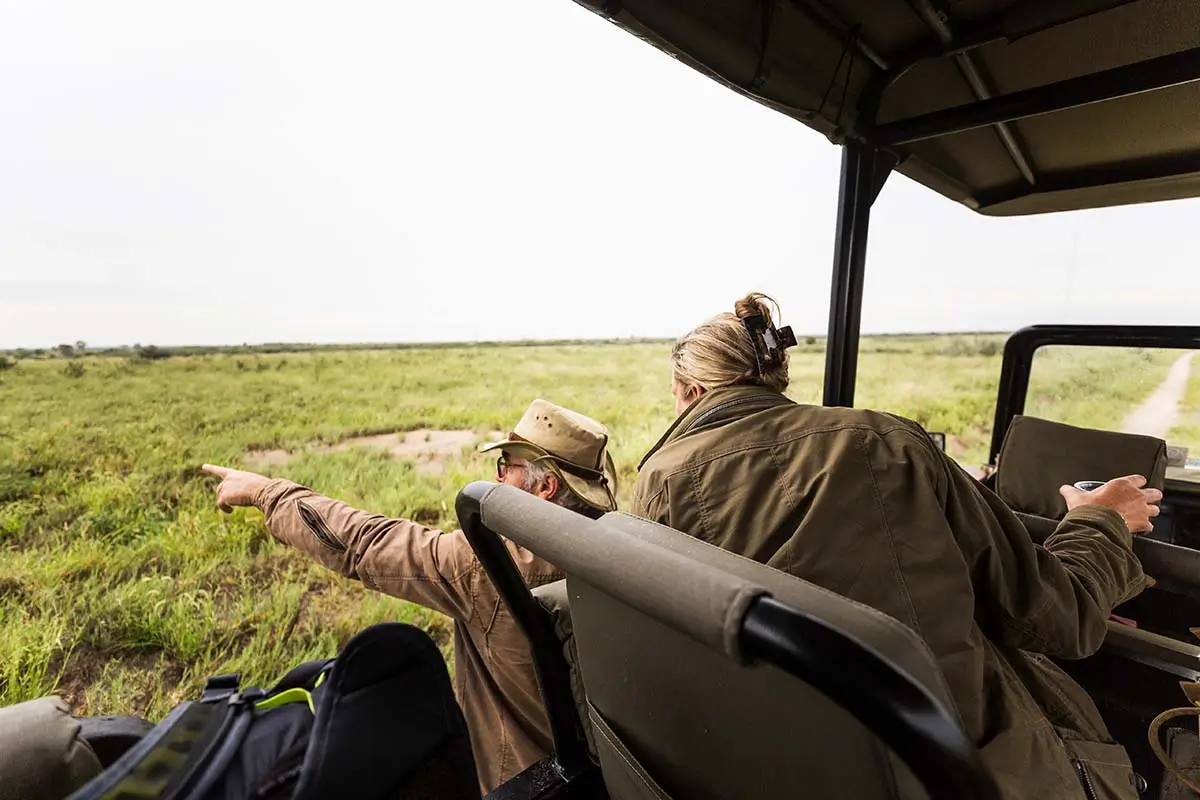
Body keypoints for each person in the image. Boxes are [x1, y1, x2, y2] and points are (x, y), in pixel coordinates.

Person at [631, 292, 1160, 800]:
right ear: (775, 378)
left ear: (690, 391)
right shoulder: (889, 443)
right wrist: (1100, 519)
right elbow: (1061, 617)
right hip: (959, 772)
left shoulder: (656, 483)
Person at [203, 398, 618, 795]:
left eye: (505, 466)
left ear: (545, 486)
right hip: (607, 778)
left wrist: (267, 492)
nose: (498, 478)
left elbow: (363, 543)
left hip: (526, 780)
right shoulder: (622, 550)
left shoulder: (490, 567)